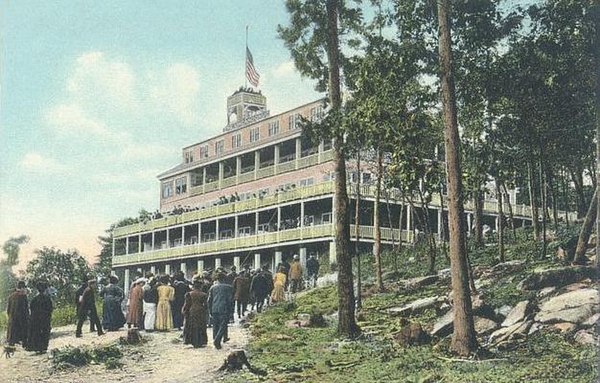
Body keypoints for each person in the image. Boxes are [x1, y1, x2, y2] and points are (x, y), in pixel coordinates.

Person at [207, 272, 233, 349]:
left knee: (215, 326)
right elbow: (230, 300)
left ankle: (215, 340)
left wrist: (210, 310)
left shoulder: (212, 287)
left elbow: (209, 300)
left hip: (214, 308)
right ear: (225, 279)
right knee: (223, 325)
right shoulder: (229, 287)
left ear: (217, 279)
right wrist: (231, 311)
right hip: (224, 309)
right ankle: (217, 340)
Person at [26, 281, 53, 353]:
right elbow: (50, 309)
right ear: (44, 290)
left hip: (36, 319)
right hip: (45, 319)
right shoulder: (47, 299)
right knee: (45, 332)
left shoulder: (34, 300)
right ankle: (44, 347)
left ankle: (37, 347)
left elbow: (31, 309)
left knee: (37, 333)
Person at [182, 280, 208, 348]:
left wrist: (184, 311)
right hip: (200, 311)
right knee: (200, 326)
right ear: (200, 287)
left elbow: (187, 304)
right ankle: (200, 341)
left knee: (192, 326)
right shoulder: (204, 294)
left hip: (192, 310)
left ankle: (193, 341)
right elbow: (206, 305)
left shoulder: (189, 294)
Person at [6, 280, 29, 346]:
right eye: (24, 287)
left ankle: (11, 343)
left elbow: (8, 309)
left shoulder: (11, 296)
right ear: (22, 288)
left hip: (12, 318)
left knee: (12, 332)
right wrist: (27, 317)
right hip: (21, 318)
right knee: (24, 329)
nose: (24, 289)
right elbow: (26, 309)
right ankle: (24, 343)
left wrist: (10, 316)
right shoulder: (23, 296)